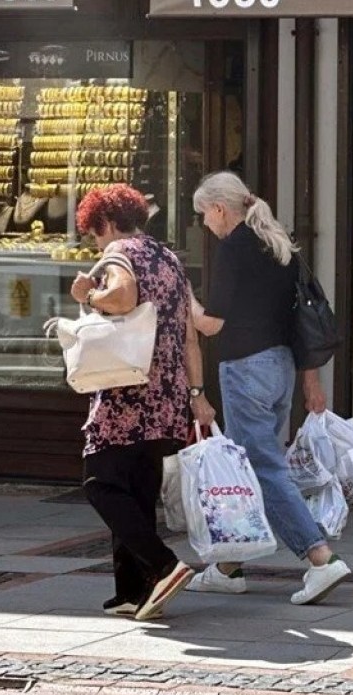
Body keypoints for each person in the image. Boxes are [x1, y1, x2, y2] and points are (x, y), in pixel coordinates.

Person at [187, 170, 351, 605]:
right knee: (258, 465)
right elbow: (300, 322)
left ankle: (320, 557)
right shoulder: (280, 247)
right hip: (279, 367)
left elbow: (213, 323)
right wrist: (309, 380)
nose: (204, 223)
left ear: (220, 210)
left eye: (204, 214)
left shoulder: (234, 249)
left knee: (262, 468)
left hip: (245, 368)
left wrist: (186, 302)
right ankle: (228, 566)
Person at [69, 185, 216, 622]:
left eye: (95, 232)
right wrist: (196, 394)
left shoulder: (118, 253)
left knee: (100, 482)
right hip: (168, 394)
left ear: (108, 223)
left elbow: (123, 296)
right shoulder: (169, 259)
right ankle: (133, 590)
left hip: (126, 391)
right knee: (137, 491)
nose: (97, 242)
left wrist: (87, 296)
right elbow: (191, 335)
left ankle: (164, 566)